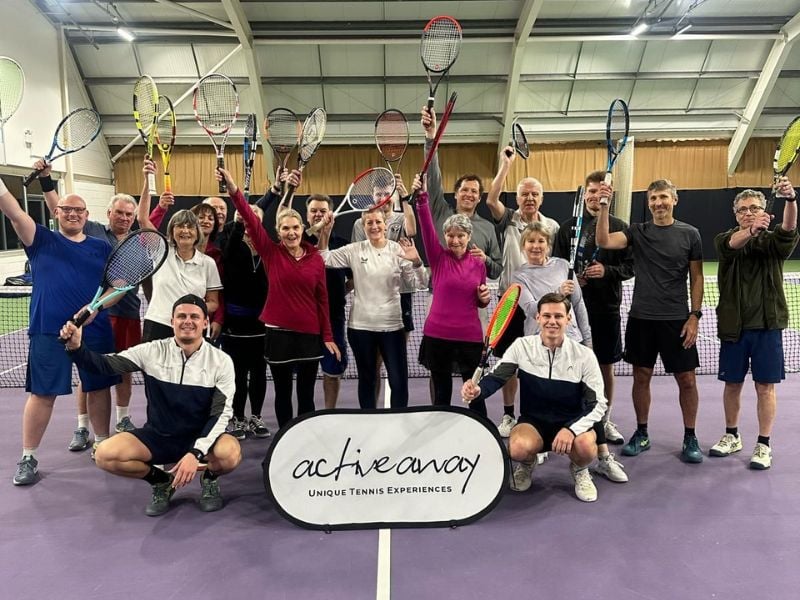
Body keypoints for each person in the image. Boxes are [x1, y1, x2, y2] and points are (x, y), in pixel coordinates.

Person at [60, 295, 241, 516]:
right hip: (158, 436)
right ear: (172, 321)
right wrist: (77, 348)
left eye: (194, 316)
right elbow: (105, 365)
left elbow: (220, 415)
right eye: (181, 316)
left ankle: (210, 478)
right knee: (105, 454)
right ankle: (161, 481)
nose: (187, 321)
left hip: (200, 437)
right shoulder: (151, 351)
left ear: (205, 322)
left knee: (230, 453)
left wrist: (196, 452)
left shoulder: (221, 361)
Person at [0, 176, 119, 486]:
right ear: (56, 213)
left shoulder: (100, 247)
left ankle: (102, 442)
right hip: (48, 330)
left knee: (98, 387)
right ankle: (28, 456)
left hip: (95, 330)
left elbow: (116, 287)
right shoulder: (39, 239)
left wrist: (96, 309)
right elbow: (12, 210)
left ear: (86, 215)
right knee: (43, 394)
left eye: (79, 210)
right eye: (67, 209)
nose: (73, 214)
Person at [217, 167, 339, 428]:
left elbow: (322, 299)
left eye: (296, 227)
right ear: (278, 231)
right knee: (283, 392)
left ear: (303, 228)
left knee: (306, 395)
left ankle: (305, 437)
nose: (291, 232)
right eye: (285, 228)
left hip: (309, 335)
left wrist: (327, 336)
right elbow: (248, 215)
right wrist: (232, 188)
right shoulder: (271, 253)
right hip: (277, 334)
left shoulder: (316, 258)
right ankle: (284, 438)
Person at [596, 179, 705, 463]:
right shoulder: (638, 232)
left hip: (677, 320)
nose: (658, 203)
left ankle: (690, 436)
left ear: (674, 200)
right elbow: (604, 240)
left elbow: (697, 277)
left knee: (687, 380)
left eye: (664, 197)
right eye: (654, 198)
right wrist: (605, 205)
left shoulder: (690, 234)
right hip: (641, 319)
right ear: (649, 202)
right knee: (640, 377)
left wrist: (694, 316)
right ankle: (641, 432)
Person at [36, 162, 143, 448]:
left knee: (119, 370)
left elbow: (128, 283)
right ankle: (83, 427)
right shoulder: (93, 229)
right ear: (107, 214)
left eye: (128, 214)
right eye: (118, 212)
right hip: (96, 318)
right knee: (89, 372)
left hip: (126, 314)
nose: (123, 217)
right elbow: (60, 209)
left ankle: (119, 421)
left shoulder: (138, 243)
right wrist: (47, 181)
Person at [461, 293, 607, 503]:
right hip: (534, 421)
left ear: (568, 319)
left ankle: (580, 469)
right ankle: (527, 464)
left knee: (585, 446)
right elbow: (496, 377)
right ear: (537, 318)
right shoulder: (522, 346)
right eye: (546, 315)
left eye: (558, 316)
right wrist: (478, 391)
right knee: (518, 448)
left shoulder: (584, 355)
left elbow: (599, 404)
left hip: (571, 422)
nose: (552, 321)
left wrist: (571, 429)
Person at [710, 183, 798, 469]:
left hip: (767, 326)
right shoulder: (724, 238)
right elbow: (732, 245)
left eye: (755, 209)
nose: (749, 213)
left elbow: (788, 227)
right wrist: (751, 231)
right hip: (734, 327)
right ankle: (732, 435)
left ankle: (763, 444)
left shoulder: (773, 243)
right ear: (736, 215)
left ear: (764, 212)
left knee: (765, 387)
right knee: (732, 384)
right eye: (743, 210)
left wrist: (790, 199)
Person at [552, 171, 635, 455]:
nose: (595, 196)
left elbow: (630, 267)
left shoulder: (621, 227)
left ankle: (605, 418)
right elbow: (556, 264)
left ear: (608, 196)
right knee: (569, 366)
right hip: (572, 312)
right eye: (590, 191)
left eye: (601, 192)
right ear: (584, 193)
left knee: (605, 367)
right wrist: (573, 279)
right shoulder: (567, 228)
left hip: (606, 308)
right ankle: (573, 417)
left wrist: (607, 271)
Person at [318, 203, 428, 409]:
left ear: (385, 225)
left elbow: (419, 284)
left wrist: (417, 262)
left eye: (378, 222)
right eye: (369, 222)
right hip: (360, 329)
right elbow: (324, 258)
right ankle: (368, 420)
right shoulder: (354, 250)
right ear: (363, 225)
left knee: (399, 381)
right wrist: (325, 232)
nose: (374, 226)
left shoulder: (398, 250)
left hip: (393, 328)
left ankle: (399, 421)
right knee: (367, 379)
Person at [484, 148, 560, 437]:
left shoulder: (551, 227)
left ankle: (539, 414)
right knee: (508, 362)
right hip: (510, 303)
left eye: (534, 194)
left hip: (542, 308)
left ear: (541, 198)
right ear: (517, 199)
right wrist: (506, 165)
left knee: (541, 362)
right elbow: (491, 199)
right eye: (524, 194)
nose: (529, 198)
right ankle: (508, 415)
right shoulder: (509, 220)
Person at [413, 175, 490, 415]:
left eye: (460, 235)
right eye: (450, 235)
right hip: (438, 336)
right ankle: (440, 436)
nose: (455, 240)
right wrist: (422, 198)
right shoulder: (437, 258)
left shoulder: (478, 264)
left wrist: (483, 297)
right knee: (442, 393)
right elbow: (425, 226)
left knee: (474, 392)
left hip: (470, 337)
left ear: (469, 237)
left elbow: (479, 298)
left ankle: (483, 433)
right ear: (445, 236)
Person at [137, 163, 222, 342]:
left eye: (190, 226)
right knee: (152, 371)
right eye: (179, 226)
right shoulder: (161, 250)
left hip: (193, 327)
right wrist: (147, 179)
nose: (185, 231)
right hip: (158, 324)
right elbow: (142, 219)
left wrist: (191, 310)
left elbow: (214, 303)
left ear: (197, 232)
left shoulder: (208, 263)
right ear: (171, 231)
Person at [218, 206, 270, 439]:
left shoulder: (268, 245)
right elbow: (227, 254)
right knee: (237, 374)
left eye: (255, 217)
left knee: (259, 373)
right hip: (234, 323)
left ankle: (256, 417)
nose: (250, 220)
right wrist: (239, 223)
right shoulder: (229, 241)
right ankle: (238, 418)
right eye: (246, 217)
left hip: (262, 323)